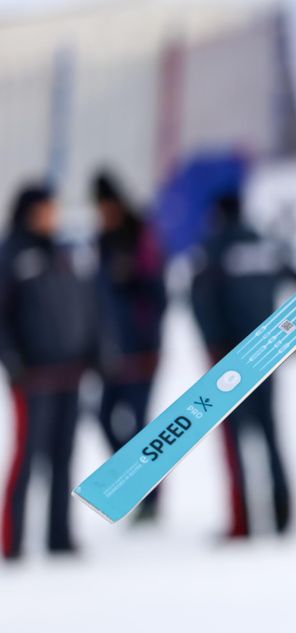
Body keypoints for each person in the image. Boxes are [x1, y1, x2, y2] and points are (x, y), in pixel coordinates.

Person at [190, 192, 296, 538]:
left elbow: (199, 299)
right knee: (270, 436)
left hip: (230, 362)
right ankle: (282, 518)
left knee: (235, 444)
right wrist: (293, 332)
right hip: (265, 356)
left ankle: (242, 524)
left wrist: (211, 346)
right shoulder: (262, 245)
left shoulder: (214, 248)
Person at [0, 184, 98, 560]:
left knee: (64, 457)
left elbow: (88, 304)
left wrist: (96, 349)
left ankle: (59, 536)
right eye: (46, 210)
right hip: (32, 378)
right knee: (26, 458)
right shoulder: (11, 254)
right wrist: (11, 359)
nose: (52, 217)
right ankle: (12, 541)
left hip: (69, 373)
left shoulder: (65, 252)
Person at [93, 170, 168, 522]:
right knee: (105, 417)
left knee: (140, 424)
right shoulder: (102, 240)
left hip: (141, 349)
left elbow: (159, 294)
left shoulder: (141, 234)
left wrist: (134, 279)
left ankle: (149, 496)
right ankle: (136, 482)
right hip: (112, 350)